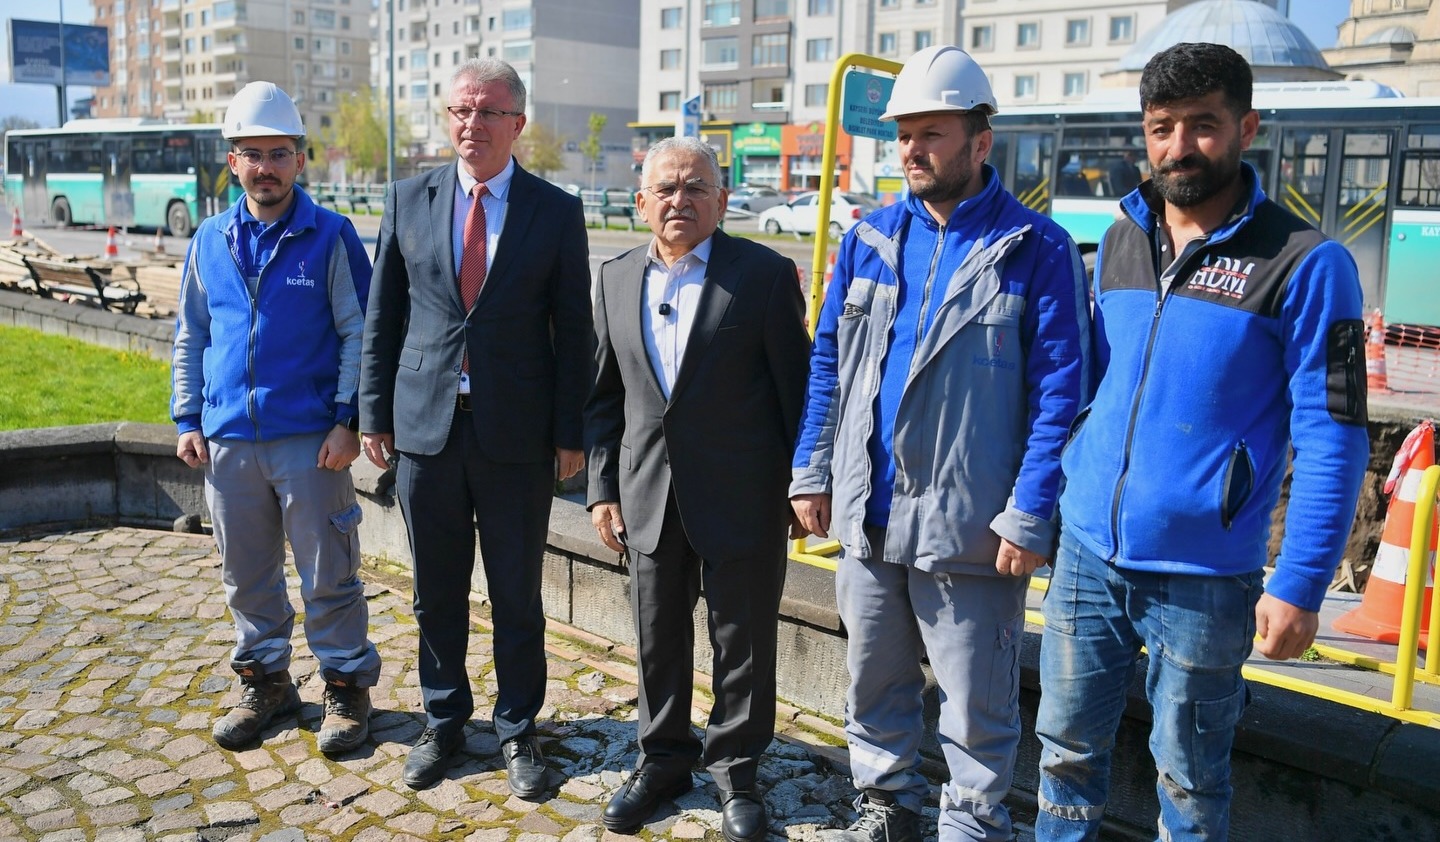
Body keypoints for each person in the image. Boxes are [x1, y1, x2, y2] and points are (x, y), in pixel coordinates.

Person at [1035, 43, 1369, 841]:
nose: (1179, 146)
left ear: (1247, 128)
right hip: (1086, 554)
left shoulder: (1306, 263)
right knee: (1064, 755)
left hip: (1207, 577)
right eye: (1161, 128)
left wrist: (1301, 584)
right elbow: (1088, 388)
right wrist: (1048, 501)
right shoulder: (1119, 238)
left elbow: (1333, 433)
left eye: (1202, 125)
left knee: (1189, 781)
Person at [789, 45, 1090, 842]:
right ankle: (886, 803)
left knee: (975, 702)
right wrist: (812, 469)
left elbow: (1062, 395)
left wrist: (1030, 512)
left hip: (972, 527)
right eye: (904, 136)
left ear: (980, 142)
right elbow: (829, 364)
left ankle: (973, 823)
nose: (912, 150)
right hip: (869, 515)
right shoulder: (869, 238)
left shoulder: (1036, 249)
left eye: (931, 134)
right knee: (872, 679)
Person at [358, 58, 592, 796]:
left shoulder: (556, 211)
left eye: (489, 112)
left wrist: (571, 432)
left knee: (517, 593)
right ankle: (444, 720)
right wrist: (373, 413)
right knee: (435, 590)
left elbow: (575, 330)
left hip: (517, 436)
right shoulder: (408, 198)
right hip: (424, 430)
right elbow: (383, 315)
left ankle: (518, 728)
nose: (472, 124)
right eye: (461, 110)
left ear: (517, 123)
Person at [585, 136, 810, 842]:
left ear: (720, 199)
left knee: (743, 642)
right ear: (642, 201)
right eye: (665, 188)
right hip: (647, 493)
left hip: (745, 494)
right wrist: (602, 488)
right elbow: (604, 395)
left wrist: (802, 485)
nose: (679, 200)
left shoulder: (764, 275)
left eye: (694, 187)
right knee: (657, 638)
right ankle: (663, 760)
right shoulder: (615, 277)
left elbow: (797, 391)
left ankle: (737, 772)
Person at [171, 80, 380, 754]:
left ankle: (346, 688)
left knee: (329, 575)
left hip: (311, 441)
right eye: (253, 154)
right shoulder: (209, 240)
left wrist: (348, 419)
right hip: (228, 441)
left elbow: (360, 333)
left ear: (299, 159)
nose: (267, 167)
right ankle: (265, 683)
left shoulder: (332, 237)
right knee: (246, 576)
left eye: (280, 153)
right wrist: (187, 417)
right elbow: (192, 336)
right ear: (233, 161)